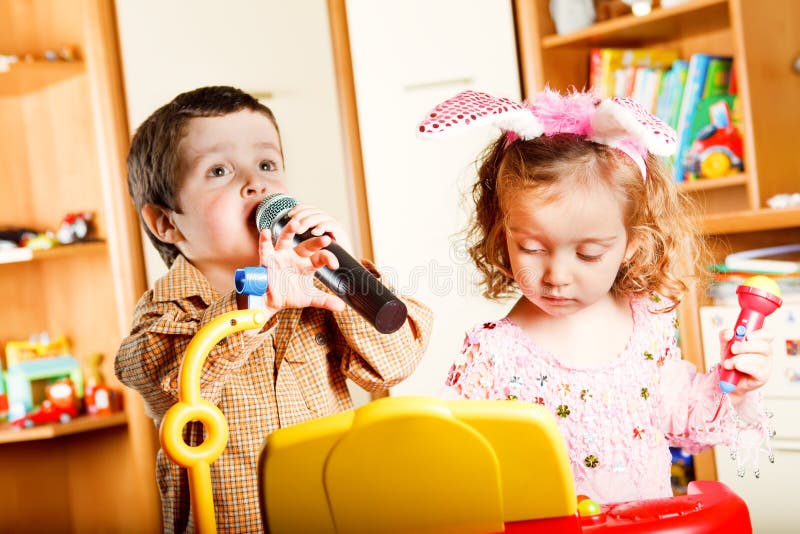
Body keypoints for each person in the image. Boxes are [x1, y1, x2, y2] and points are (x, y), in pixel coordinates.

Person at [418, 89, 774, 503]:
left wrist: (735, 384)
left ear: (631, 245)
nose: (556, 276)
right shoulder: (493, 352)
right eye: (531, 248)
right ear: (504, 234)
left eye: (588, 254)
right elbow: (457, 463)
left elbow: (682, 416)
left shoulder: (647, 323)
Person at [116, 86, 433, 533]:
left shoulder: (318, 279)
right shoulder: (168, 311)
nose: (256, 183)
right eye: (219, 170)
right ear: (167, 222)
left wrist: (342, 272)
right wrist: (256, 301)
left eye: (267, 164)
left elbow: (396, 363)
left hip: (333, 513)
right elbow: (156, 373)